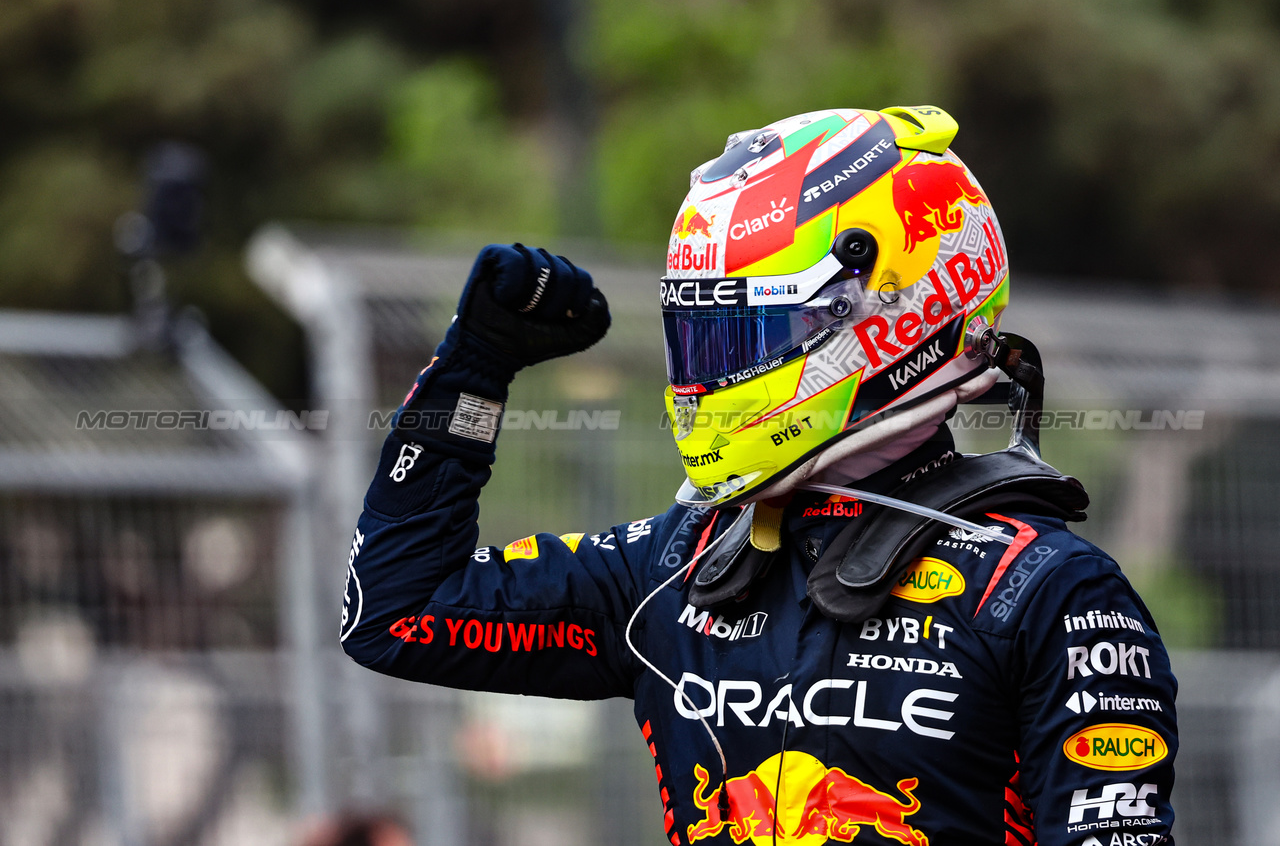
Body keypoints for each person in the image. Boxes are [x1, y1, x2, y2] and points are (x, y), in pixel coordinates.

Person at [341, 106, 1177, 846]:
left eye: (754, 329)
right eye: (705, 336)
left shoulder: (1048, 591)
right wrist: (473, 368)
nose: (717, 372)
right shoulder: (672, 565)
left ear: (902, 310)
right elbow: (395, 610)